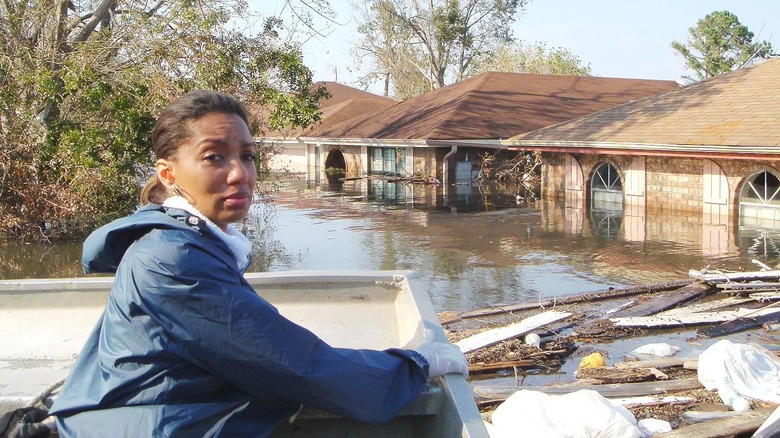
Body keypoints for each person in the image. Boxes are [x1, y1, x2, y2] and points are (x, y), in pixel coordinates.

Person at [48, 90, 468, 437]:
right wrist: (414, 365)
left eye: (247, 156)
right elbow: (293, 365)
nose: (240, 174)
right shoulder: (171, 259)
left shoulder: (193, 242)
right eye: (215, 157)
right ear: (169, 174)